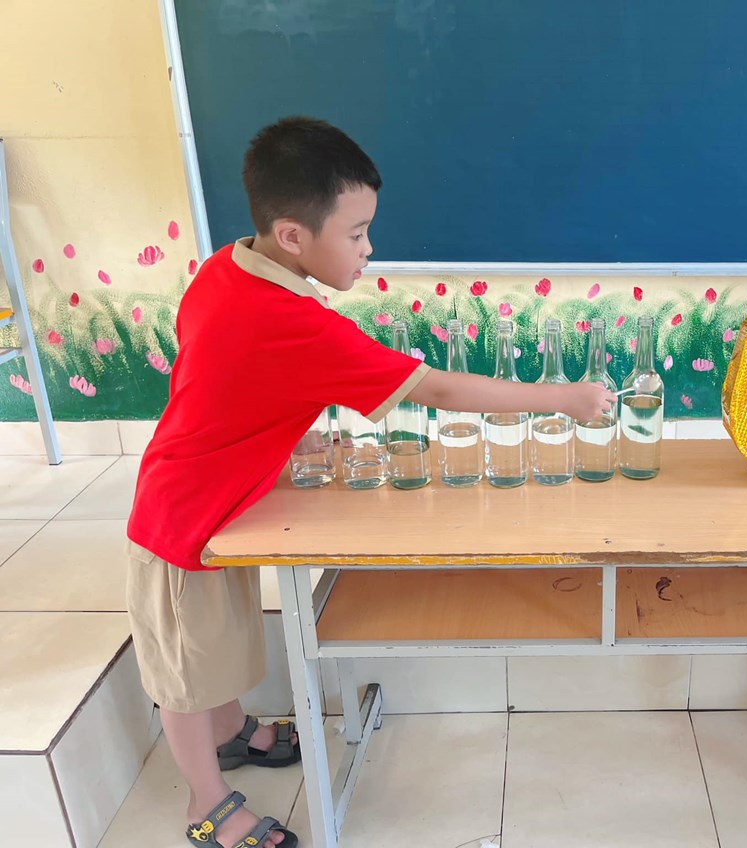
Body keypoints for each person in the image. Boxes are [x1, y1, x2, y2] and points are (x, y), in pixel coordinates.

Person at [126, 116, 613, 848]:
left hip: (220, 495)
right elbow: (438, 390)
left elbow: (219, 374)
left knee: (218, 642)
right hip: (180, 517)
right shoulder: (296, 323)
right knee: (187, 673)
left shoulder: (228, 267)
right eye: (356, 234)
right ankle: (205, 802)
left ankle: (231, 735)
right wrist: (564, 399)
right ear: (293, 235)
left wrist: (280, 434)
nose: (368, 248)